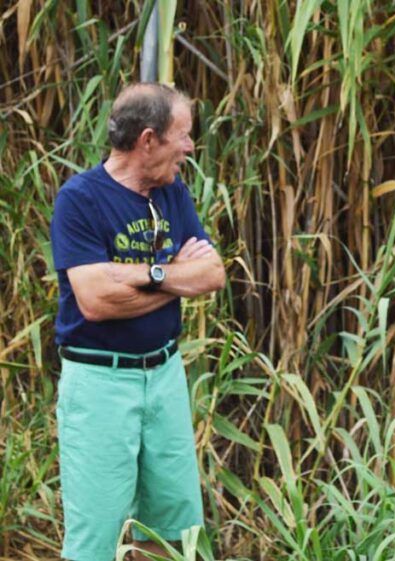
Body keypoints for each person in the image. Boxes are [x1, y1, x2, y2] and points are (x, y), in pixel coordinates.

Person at [50, 83, 225, 561]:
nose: (190, 148)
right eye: (182, 136)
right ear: (148, 140)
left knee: (176, 532)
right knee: (96, 539)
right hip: (101, 383)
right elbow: (96, 302)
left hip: (165, 377)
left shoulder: (174, 194)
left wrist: (143, 277)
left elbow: (211, 273)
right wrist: (172, 279)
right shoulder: (80, 199)